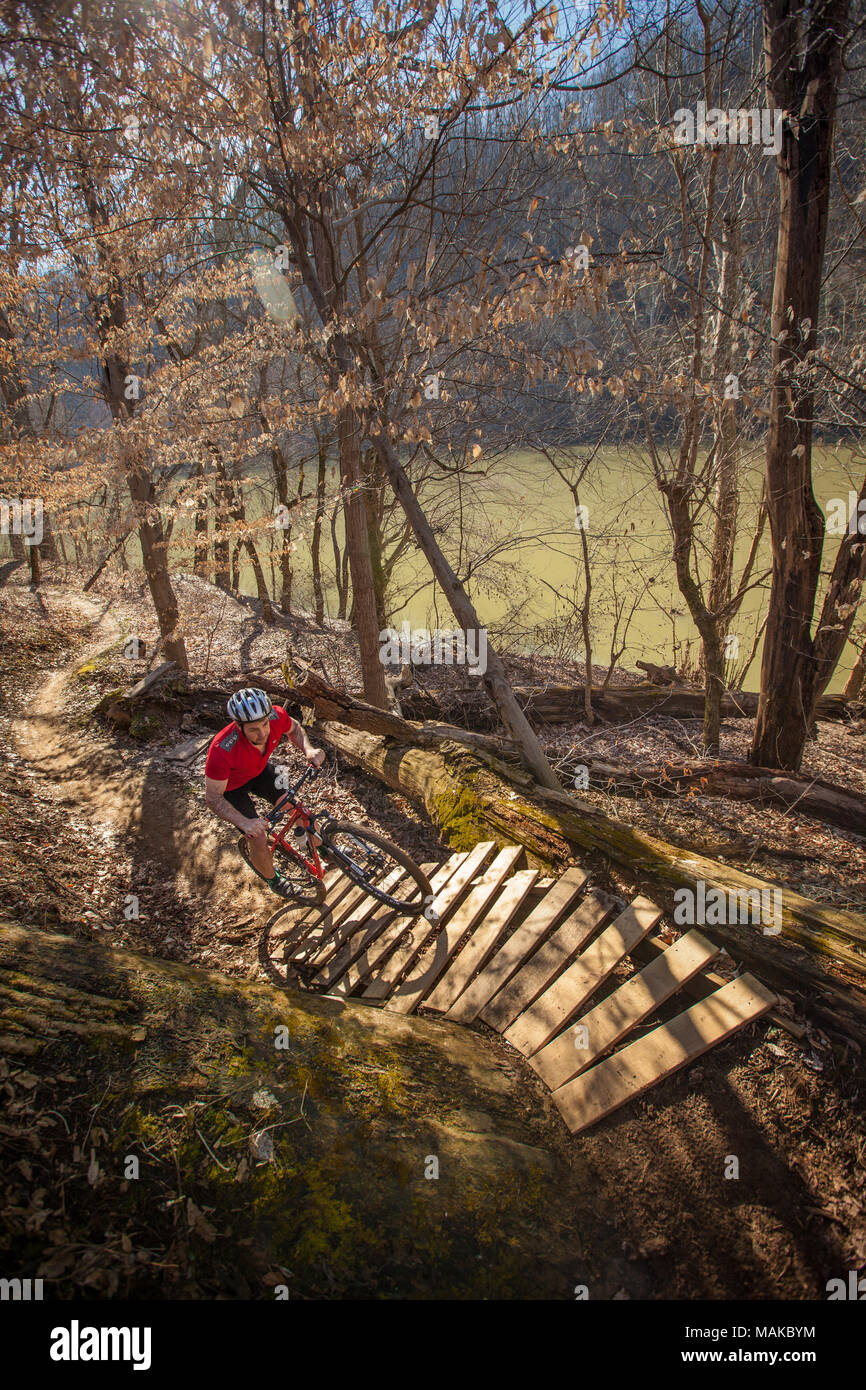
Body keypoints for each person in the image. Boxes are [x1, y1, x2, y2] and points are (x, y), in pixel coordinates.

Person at [204, 687, 325, 897]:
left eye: (265, 725)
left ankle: (325, 851)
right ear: (238, 727)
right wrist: (245, 823)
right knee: (258, 837)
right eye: (253, 729)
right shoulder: (221, 750)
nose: (262, 733)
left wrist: (308, 749)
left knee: (297, 808)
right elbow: (213, 798)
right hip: (232, 790)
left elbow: (294, 729)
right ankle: (274, 881)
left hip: (259, 771)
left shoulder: (276, 715)